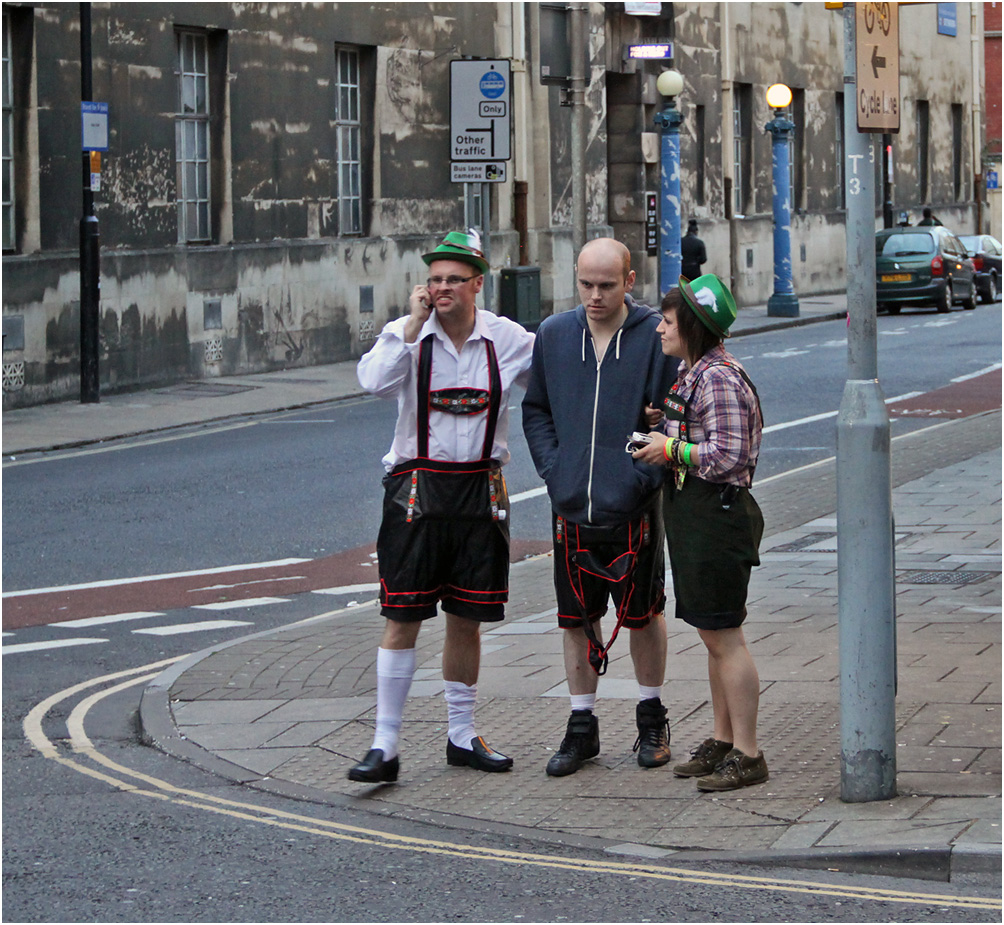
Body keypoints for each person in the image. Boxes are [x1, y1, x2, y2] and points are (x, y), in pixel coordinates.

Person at [348, 230, 535, 783]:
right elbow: (374, 382)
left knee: (467, 618)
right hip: (415, 494)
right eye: (435, 279)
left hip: (480, 491)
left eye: (455, 279)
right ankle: (385, 744)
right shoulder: (406, 336)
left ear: (478, 284)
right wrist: (409, 325)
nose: (443, 288)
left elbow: (555, 382)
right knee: (402, 616)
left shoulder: (509, 339)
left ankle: (460, 734)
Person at [522, 237, 678, 777]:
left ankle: (651, 718)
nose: (594, 295)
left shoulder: (655, 337)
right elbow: (536, 410)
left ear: (629, 282)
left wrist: (640, 477)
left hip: (633, 508)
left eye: (607, 285)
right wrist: (554, 470)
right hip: (570, 507)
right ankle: (581, 726)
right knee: (575, 618)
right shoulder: (554, 334)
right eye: (585, 284)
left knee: (643, 615)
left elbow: (671, 420)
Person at [632, 275, 768, 792]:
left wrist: (670, 449)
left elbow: (729, 456)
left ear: (691, 325)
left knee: (725, 637)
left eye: (668, 321)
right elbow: (699, 434)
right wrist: (663, 427)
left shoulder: (718, 379)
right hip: (696, 516)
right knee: (713, 637)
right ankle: (723, 739)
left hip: (718, 517)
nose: (661, 329)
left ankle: (749, 753)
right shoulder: (694, 373)